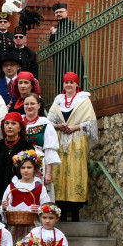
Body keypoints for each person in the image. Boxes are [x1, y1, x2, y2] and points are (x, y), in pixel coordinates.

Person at [47, 73, 97, 222]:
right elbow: (49, 121)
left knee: (76, 173)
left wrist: (75, 127)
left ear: (76, 84)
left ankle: (75, 212)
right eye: (66, 82)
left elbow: (91, 123)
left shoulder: (84, 100)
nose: (68, 85)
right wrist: (59, 126)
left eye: (71, 82)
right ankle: (61, 210)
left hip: (77, 141)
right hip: (60, 140)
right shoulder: (58, 101)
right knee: (59, 173)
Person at [1, 149, 50, 243]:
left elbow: (47, 207)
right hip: (15, 225)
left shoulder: (39, 187)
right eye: (23, 167)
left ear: (35, 169)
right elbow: (5, 206)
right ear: (19, 169)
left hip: (33, 225)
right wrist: (5, 207)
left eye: (29, 167)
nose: (26, 170)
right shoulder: (12, 186)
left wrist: (40, 209)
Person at [0, 112, 31, 201]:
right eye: (7, 123)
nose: (9, 126)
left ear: (20, 128)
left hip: (18, 190)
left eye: (13, 123)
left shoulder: (26, 146)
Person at [19, 94, 60, 187]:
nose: (29, 106)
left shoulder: (45, 124)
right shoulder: (18, 122)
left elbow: (49, 150)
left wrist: (48, 174)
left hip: (39, 163)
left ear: (39, 105)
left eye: (32, 104)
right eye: (26, 104)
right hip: (19, 163)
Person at [48, 3, 84, 94]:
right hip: (60, 60)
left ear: (66, 13)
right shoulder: (56, 27)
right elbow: (52, 44)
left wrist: (56, 33)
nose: (59, 14)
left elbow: (69, 39)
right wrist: (52, 34)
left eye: (61, 12)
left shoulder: (70, 24)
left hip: (72, 58)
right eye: (56, 13)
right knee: (61, 80)